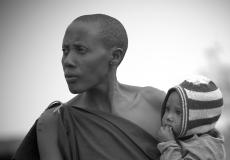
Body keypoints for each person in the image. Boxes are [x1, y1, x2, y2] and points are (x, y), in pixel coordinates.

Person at [13, 14, 165, 160]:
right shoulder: (54, 122)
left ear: (115, 56)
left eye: (80, 50)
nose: (68, 61)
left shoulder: (156, 103)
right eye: (65, 51)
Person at [157, 75, 226, 160]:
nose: (168, 117)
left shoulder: (206, 148)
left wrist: (168, 144)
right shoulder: (186, 136)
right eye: (167, 109)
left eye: (178, 112)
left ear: (199, 120)